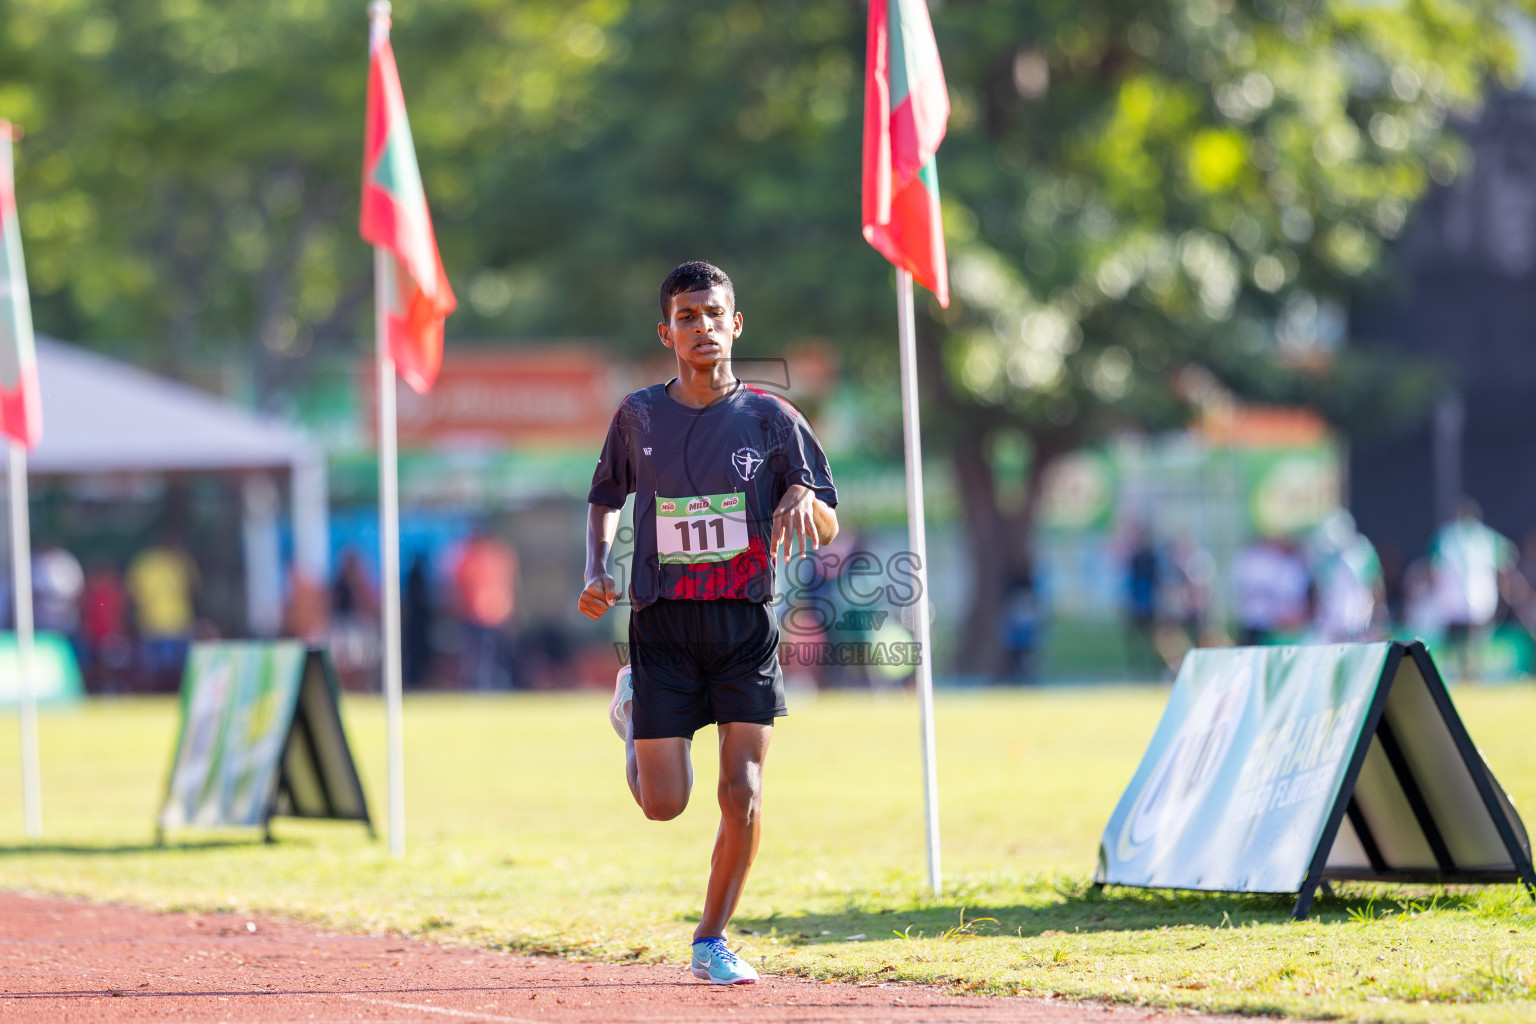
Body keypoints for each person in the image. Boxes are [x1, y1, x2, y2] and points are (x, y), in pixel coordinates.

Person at [578, 262, 838, 985]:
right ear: (667, 331)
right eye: (686, 317)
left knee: (743, 790)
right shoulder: (639, 415)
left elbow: (826, 511)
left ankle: (711, 939)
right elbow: (603, 496)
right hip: (663, 625)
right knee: (664, 805)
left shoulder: (773, 418)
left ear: (736, 324)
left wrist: (800, 500)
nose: (702, 327)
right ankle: (632, 712)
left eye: (713, 313)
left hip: (743, 624)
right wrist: (596, 568)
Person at [126, 539, 199, 684]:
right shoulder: (178, 561)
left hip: (170, 623)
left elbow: (133, 593)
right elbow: (193, 590)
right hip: (161, 623)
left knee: (169, 670)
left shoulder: (180, 561)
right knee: (163, 670)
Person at [451, 530, 517, 690]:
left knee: (482, 652)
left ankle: (483, 683)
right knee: (480, 653)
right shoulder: (492, 556)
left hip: (486, 612)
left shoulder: (474, 557)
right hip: (483, 612)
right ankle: (480, 683)